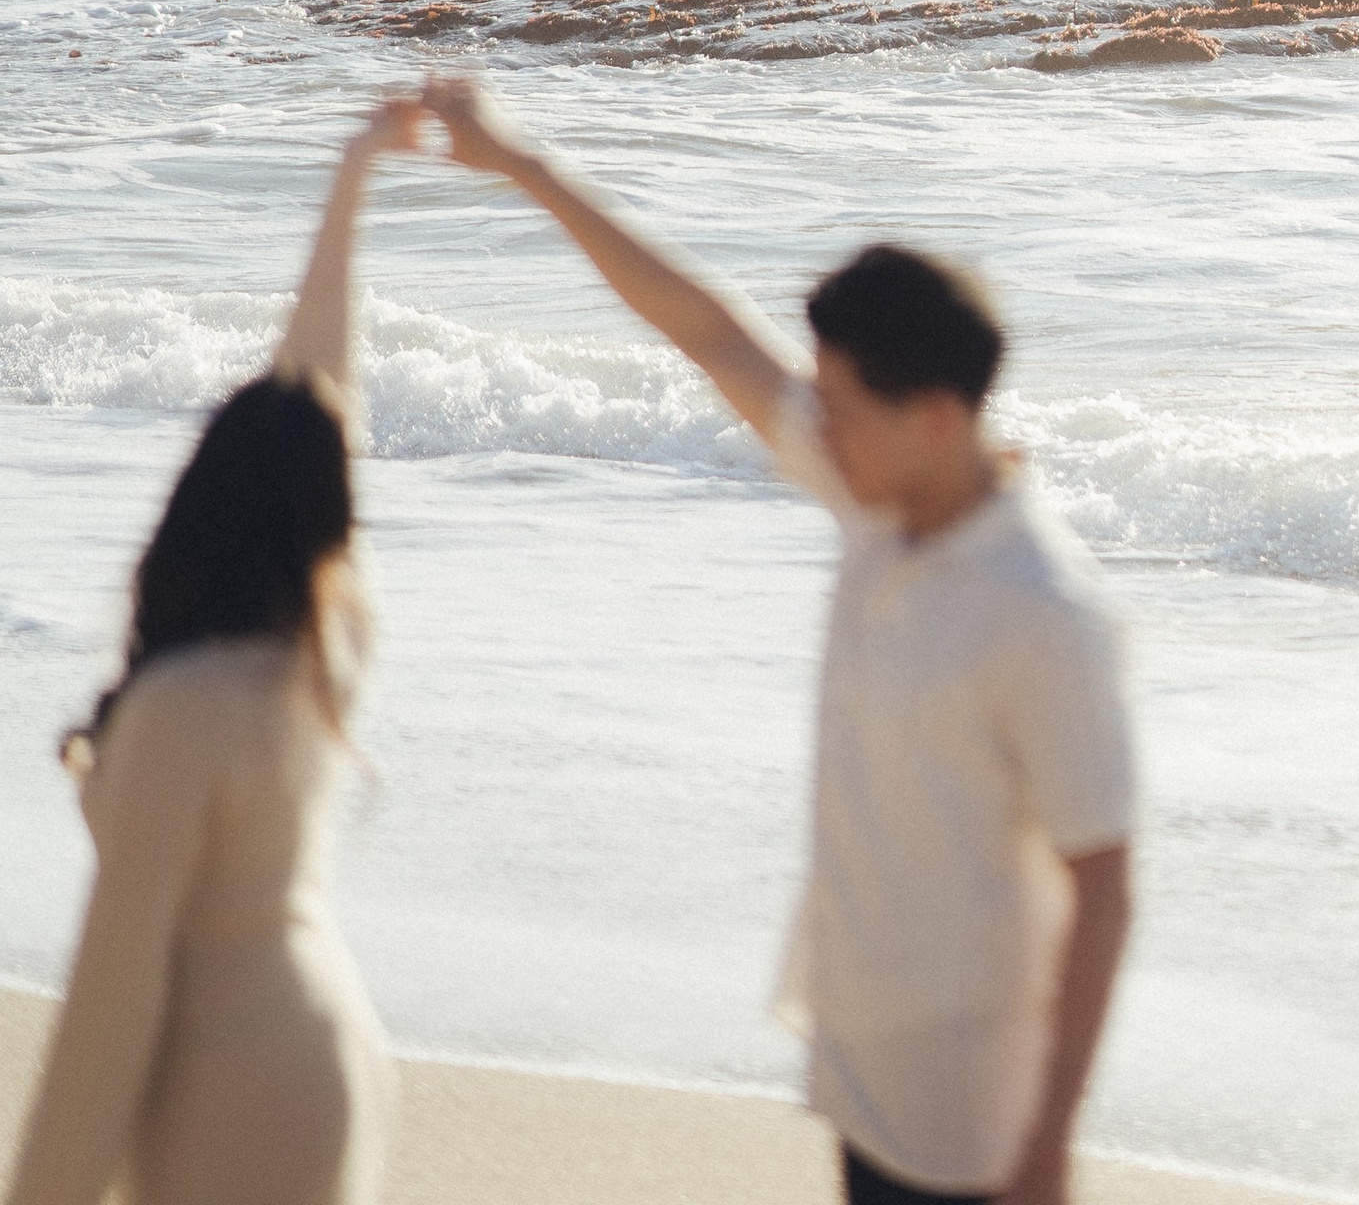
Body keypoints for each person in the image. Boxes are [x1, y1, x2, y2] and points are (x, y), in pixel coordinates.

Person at [419, 71, 1134, 1205]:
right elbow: (705, 329)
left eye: (837, 407)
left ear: (934, 419)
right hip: (861, 1078)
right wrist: (521, 165)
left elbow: (1102, 884)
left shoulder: (1043, 612)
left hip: (976, 1130)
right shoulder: (878, 504)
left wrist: (1048, 1145)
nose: (815, 426)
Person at [4, 96, 428, 1205]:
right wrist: (351, 184)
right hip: (327, 1044)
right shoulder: (321, 654)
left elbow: (113, 1000)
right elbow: (324, 405)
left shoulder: (182, 707)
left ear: (191, 511)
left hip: (231, 1082)